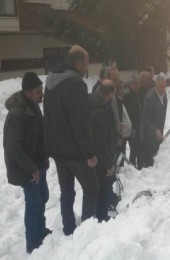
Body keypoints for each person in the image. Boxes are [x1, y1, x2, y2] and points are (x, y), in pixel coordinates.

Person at [44, 45, 99, 236]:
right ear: (77, 63)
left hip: (58, 151)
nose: (86, 67)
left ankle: (68, 228)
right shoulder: (75, 85)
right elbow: (81, 123)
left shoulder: (51, 82)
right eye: (86, 63)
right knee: (92, 187)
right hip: (75, 151)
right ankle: (86, 231)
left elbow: (49, 117)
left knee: (67, 191)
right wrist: (90, 153)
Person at [3, 72, 51, 253]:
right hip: (26, 168)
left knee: (43, 197)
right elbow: (13, 148)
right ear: (28, 92)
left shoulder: (33, 106)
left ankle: (41, 230)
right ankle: (33, 241)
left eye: (42, 89)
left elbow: (38, 136)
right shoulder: (17, 114)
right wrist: (31, 168)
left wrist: (44, 157)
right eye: (39, 90)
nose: (42, 93)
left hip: (37, 164)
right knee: (34, 203)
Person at [88, 79, 116, 222]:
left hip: (91, 155)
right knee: (103, 188)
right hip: (100, 159)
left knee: (96, 189)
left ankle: (97, 216)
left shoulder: (89, 104)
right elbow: (101, 142)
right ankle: (101, 217)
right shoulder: (102, 112)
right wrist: (109, 164)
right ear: (109, 94)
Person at [140, 76, 168, 167]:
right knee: (150, 161)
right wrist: (154, 130)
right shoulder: (150, 97)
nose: (163, 89)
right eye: (161, 87)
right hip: (150, 135)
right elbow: (144, 118)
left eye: (164, 86)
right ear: (156, 85)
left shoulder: (164, 94)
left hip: (159, 131)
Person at [124, 75, 144, 169]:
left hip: (136, 126)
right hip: (133, 127)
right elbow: (131, 114)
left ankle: (135, 166)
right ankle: (134, 166)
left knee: (136, 148)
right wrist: (134, 128)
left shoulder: (134, 94)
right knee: (135, 148)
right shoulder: (128, 96)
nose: (139, 86)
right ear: (132, 85)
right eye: (137, 84)